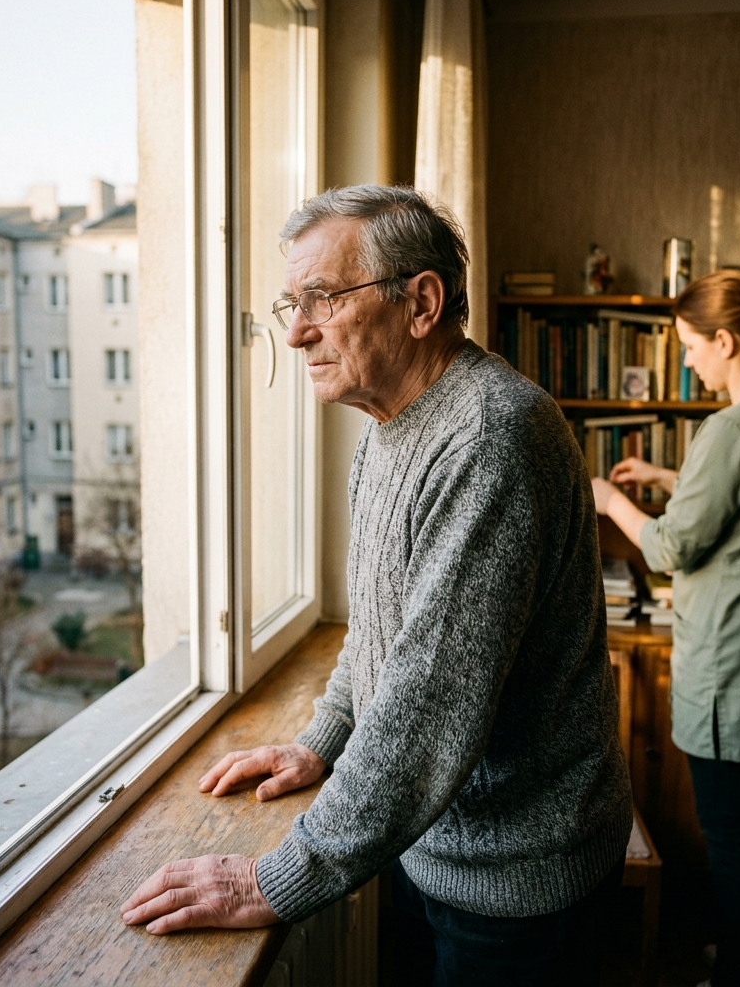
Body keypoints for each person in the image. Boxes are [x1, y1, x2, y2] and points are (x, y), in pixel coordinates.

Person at [122, 185, 632, 984]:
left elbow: (430, 697)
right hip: (431, 851)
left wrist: (278, 875)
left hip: (520, 891)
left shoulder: (493, 435)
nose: (295, 332)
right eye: (293, 303)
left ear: (421, 302)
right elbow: (382, 627)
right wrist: (321, 739)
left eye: (322, 298)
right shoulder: (392, 428)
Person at [592, 270, 740, 987]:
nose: (689, 360)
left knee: (734, 840)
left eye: (692, 346)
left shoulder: (731, 428)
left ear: (725, 340)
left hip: (738, 669)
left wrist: (608, 499)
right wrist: (671, 476)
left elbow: (668, 549)